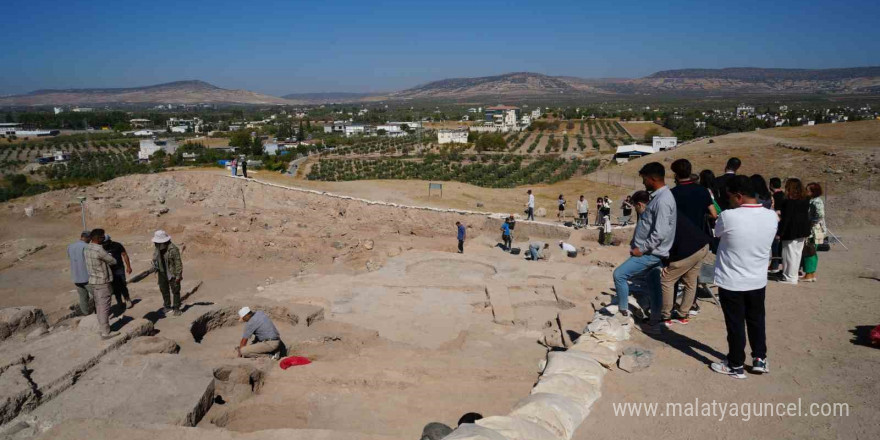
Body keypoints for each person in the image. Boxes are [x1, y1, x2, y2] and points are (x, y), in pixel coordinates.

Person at [710, 176, 777, 379]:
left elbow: (718, 233)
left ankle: (735, 364)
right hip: (757, 279)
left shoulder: (729, 216)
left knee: (735, 323)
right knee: (757, 320)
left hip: (732, 280)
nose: (727, 201)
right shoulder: (771, 216)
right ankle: (760, 359)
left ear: (738, 196)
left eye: (729, 197)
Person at [612, 162, 676, 330]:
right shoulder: (660, 197)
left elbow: (660, 232)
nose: (643, 183)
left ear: (653, 178)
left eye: (644, 179)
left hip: (650, 253)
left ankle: (623, 311)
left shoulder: (663, 200)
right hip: (654, 252)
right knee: (654, 286)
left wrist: (642, 249)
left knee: (619, 275)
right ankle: (655, 319)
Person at [659, 212, 711, 327]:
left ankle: (665, 316)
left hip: (689, 250)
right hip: (702, 245)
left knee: (666, 280)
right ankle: (683, 314)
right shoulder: (674, 213)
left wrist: (666, 264)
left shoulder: (663, 219)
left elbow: (667, 243)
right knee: (690, 282)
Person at [83, 229, 119, 339]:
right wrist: (109, 255)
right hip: (103, 281)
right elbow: (113, 261)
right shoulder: (99, 249)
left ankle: (102, 328)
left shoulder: (87, 247)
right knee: (104, 307)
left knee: (99, 306)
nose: (104, 239)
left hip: (94, 280)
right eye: (103, 237)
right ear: (98, 238)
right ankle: (106, 332)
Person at [776, 179, 811, 284]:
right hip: (802, 230)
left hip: (790, 230)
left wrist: (780, 232)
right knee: (797, 254)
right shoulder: (805, 200)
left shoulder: (788, 201)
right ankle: (793, 275)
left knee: (788, 254)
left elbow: (786, 218)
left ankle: (789, 277)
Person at [670, 159, 716, 236]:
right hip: (700, 236)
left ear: (676, 175)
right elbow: (714, 214)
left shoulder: (671, 193)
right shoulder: (703, 190)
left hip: (680, 236)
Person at [151, 230, 183, 315]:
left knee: (175, 290)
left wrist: (178, 275)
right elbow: (155, 258)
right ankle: (167, 306)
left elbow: (178, 263)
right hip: (162, 271)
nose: (156, 244)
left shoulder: (173, 249)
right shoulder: (158, 248)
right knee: (164, 289)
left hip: (172, 272)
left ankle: (176, 307)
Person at [102, 234, 133, 312]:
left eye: (105, 242)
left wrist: (128, 266)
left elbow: (124, 255)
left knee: (122, 284)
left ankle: (127, 299)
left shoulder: (117, 245)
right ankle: (119, 301)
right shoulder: (101, 247)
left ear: (109, 241)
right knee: (114, 287)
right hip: (108, 270)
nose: (104, 244)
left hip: (119, 268)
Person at [802, 182, 826, 282]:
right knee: (812, 252)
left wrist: (810, 221)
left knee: (809, 251)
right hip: (816, 229)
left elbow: (820, 214)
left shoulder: (816, 202)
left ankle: (809, 274)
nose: (805, 192)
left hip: (814, 230)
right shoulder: (813, 200)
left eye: (807, 190)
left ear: (812, 192)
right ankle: (810, 273)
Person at [67, 230, 93, 316]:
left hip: (76, 276)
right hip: (87, 277)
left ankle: (86, 314)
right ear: (87, 237)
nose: (91, 240)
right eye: (90, 238)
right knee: (98, 296)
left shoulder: (70, 246)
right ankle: (100, 313)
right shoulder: (87, 247)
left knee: (83, 297)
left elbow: (71, 258)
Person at [768, 177, 785, 273]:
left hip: (777, 222)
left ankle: (774, 265)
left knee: (775, 244)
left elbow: (776, 210)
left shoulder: (774, 196)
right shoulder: (784, 195)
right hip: (783, 223)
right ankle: (777, 264)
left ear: (771, 185)